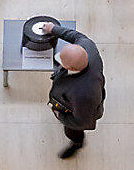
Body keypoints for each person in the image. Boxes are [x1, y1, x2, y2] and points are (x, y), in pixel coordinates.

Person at [39, 23, 105, 159]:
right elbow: (76, 36)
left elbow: (83, 121)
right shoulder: (88, 47)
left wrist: (61, 116)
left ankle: (77, 143)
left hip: (79, 111)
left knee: (73, 131)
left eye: (62, 62)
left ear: (72, 68)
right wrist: (53, 29)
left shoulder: (83, 95)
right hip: (73, 97)